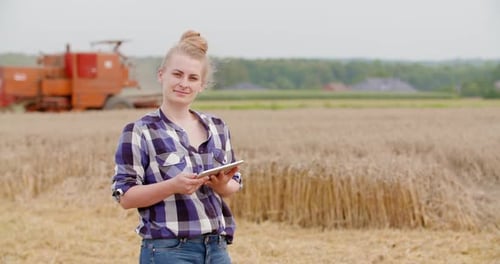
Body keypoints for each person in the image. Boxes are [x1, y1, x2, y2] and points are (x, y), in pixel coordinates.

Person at [111, 30, 242, 264]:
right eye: (177, 74)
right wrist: (172, 186)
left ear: (201, 85)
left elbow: (234, 185)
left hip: (217, 248)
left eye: (192, 78)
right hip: (168, 250)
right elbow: (126, 198)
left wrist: (223, 185)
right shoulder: (139, 131)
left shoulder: (218, 127)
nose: (184, 83)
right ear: (162, 75)